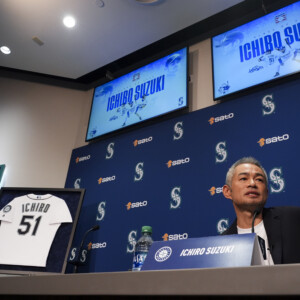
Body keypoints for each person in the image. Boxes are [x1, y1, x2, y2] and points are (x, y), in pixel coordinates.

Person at [222, 157, 300, 265]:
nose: (252, 184)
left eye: (259, 179)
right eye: (244, 178)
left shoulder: (293, 219)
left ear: (266, 192)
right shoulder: (223, 243)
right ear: (227, 192)